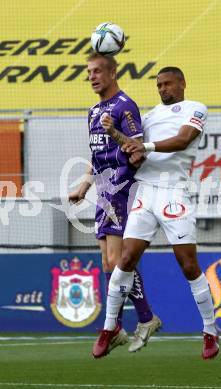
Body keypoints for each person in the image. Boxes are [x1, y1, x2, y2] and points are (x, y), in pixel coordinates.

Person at [93, 66, 219, 360]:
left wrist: (144, 145)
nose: (163, 89)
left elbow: (183, 140)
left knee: (188, 264)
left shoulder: (195, 109)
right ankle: (110, 326)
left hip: (174, 191)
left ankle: (210, 330)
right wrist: (115, 133)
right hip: (145, 192)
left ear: (182, 83)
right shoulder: (147, 116)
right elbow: (133, 147)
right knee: (125, 259)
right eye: (159, 85)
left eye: (168, 84)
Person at [69, 52, 161, 357]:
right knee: (110, 264)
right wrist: (84, 184)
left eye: (96, 71)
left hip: (124, 188)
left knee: (120, 260)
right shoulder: (93, 111)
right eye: (89, 72)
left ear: (111, 73)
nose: (92, 76)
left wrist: (115, 132)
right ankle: (132, 322)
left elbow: (137, 152)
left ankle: (138, 320)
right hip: (104, 191)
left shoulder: (125, 106)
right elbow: (96, 157)